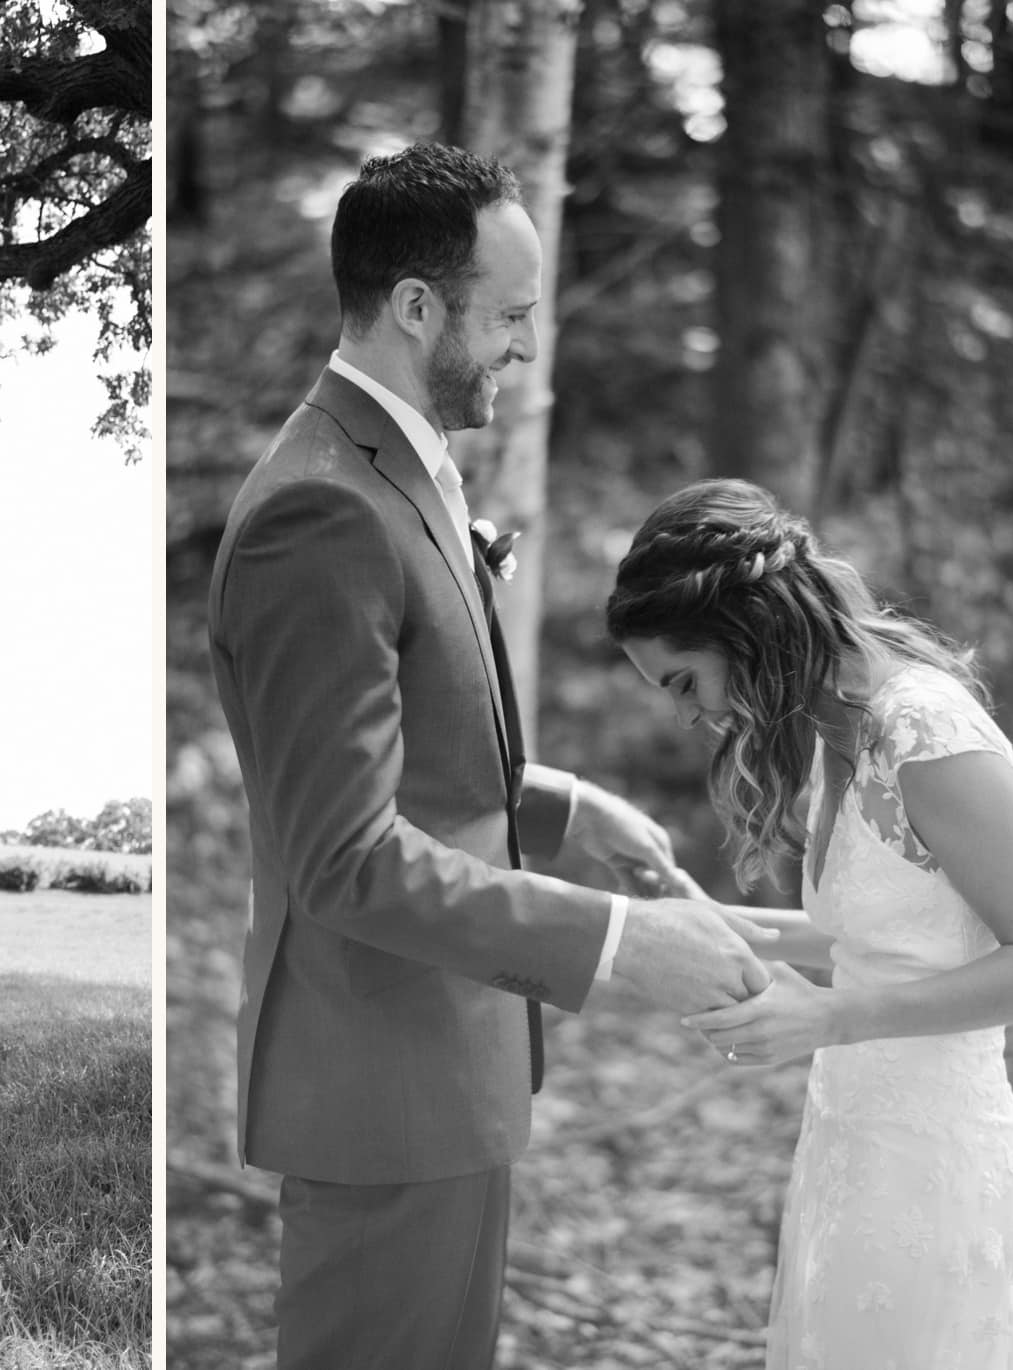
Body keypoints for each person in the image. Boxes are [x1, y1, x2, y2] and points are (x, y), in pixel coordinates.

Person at [205, 142, 776, 1370]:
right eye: (510, 315)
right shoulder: (321, 512)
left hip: (443, 1067)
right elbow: (344, 855)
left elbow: (404, 755)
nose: (528, 347)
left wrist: (565, 807)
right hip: (381, 1084)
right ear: (417, 306)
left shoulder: (390, 469)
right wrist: (619, 944)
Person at [606, 477, 1013, 1368]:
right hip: (851, 1138)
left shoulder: (926, 734)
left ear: (747, 631)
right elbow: (872, 941)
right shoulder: (837, 730)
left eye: (684, 680)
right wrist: (680, 913)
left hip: (936, 1159)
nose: (686, 712)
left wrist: (827, 1018)